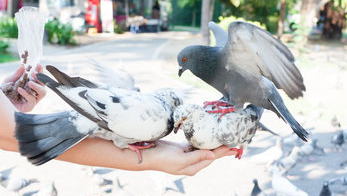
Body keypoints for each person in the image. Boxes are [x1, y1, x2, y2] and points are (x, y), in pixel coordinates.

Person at [0, 66, 235, 176]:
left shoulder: (155, 112)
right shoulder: (158, 119)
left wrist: (5, 102)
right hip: (97, 115)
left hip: (102, 109)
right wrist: (151, 159)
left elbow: (8, 132)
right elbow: (11, 133)